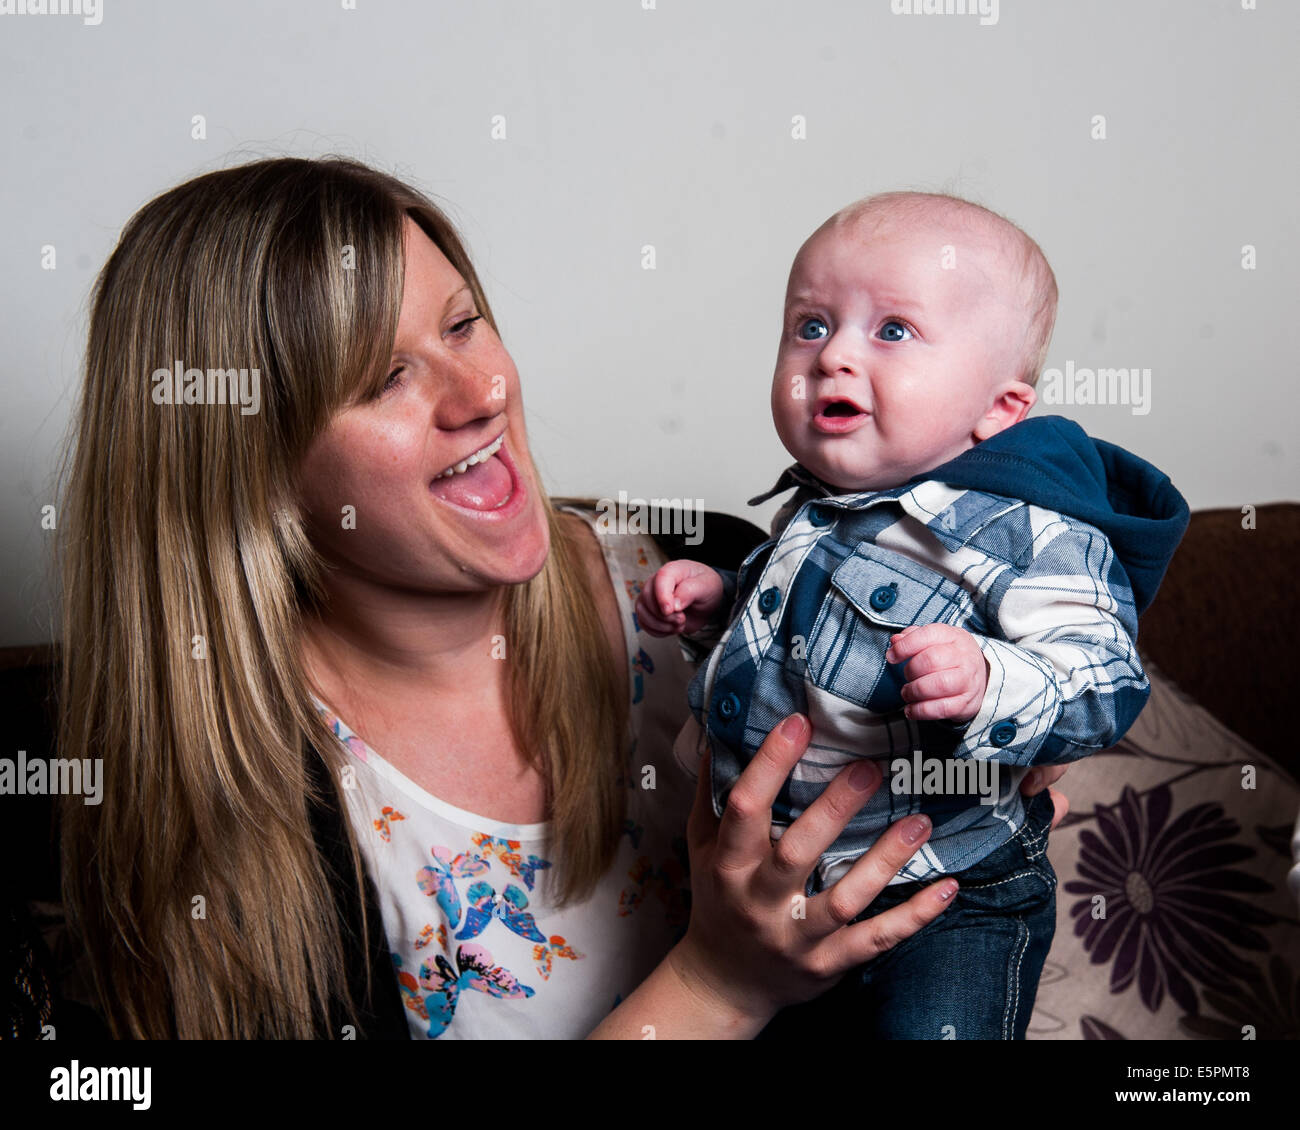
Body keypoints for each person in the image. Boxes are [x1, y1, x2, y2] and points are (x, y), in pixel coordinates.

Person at [55, 160, 1067, 1040]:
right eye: (384, 378)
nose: (480, 393)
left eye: (463, 322)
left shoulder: (716, 575)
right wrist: (717, 983)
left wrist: (980, 784)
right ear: (250, 469)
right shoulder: (246, 822)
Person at [638, 192, 1187, 1039]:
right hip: (782, 898)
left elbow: (1105, 678)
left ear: (999, 409)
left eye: (893, 331)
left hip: (951, 898)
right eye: (811, 326)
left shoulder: (1032, 531)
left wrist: (989, 680)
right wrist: (721, 601)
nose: (834, 359)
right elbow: (799, 647)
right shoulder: (824, 508)